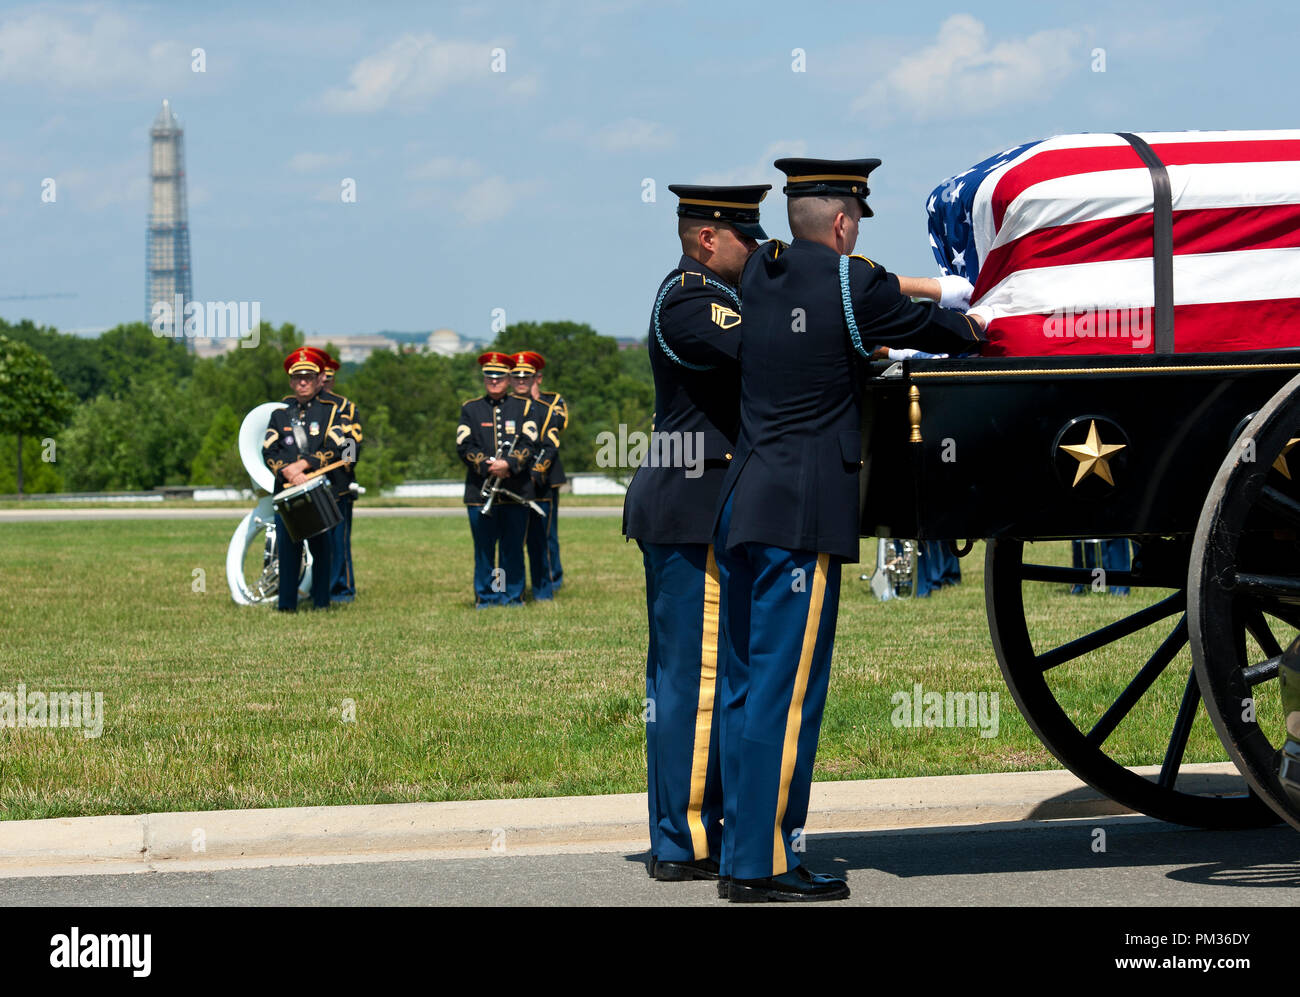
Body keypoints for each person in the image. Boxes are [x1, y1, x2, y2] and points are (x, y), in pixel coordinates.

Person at [711, 157, 986, 901]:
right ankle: (763, 866)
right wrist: (978, 322)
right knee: (785, 692)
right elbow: (942, 328)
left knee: (746, 688)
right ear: (842, 222)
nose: (859, 229)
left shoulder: (759, 276)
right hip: (799, 511)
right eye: (857, 218)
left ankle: (746, 849)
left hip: (743, 501)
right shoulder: (848, 281)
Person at [624, 182, 771, 882]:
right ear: (708, 238)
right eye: (747, 235)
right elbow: (764, 355)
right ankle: (682, 839)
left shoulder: (721, 295)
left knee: (709, 671)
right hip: (692, 499)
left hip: (704, 498)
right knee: (698, 676)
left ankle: (700, 826)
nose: (759, 246)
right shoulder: (691, 297)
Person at [262, 347, 358, 612]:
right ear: (291, 382)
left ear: (318, 380)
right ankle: (287, 606)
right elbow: (269, 449)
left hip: (317, 491)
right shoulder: (280, 414)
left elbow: (337, 445)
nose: (302, 382)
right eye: (298, 378)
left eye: (308, 377)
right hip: (287, 491)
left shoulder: (331, 411)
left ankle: (321, 603)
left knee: (322, 550)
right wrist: (287, 471)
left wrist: (303, 465)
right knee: (288, 549)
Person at [456, 351, 539, 608]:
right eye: (489, 376)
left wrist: (510, 463)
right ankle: (486, 596)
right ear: (484, 378)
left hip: (515, 489)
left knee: (512, 548)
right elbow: (463, 444)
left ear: (508, 378)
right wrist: (487, 465)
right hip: (480, 490)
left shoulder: (525, 407)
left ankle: (512, 596)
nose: (494, 381)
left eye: (500, 376)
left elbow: (530, 442)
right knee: (484, 550)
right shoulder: (470, 409)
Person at [509, 351, 559, 601]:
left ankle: (542, 593)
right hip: (508, 486)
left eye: (525, 376)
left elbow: (550, 446)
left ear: (534, 378)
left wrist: (532, 474)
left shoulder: (545, 409)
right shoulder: (503, 407)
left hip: (537, 484)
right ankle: (510, 592)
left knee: (539, 542)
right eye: (516, 375)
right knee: (510, 543)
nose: (520, 380)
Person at [318, 351, 363, 603]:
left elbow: (353, 442)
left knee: (338, 541)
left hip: (337, 481)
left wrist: (344, 464)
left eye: (328, 377)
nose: (324, 381)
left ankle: (341, 589)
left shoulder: (345, 406)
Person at [530, 358, 568, 590]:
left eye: (529, 376)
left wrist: (534, 401)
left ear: (539, 378)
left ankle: (553, 578)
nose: (522, 381)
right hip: (517, 477)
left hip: (547, 477)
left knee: (547, 533)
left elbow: (560, 422)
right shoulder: (511, 403)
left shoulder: (552, 400)